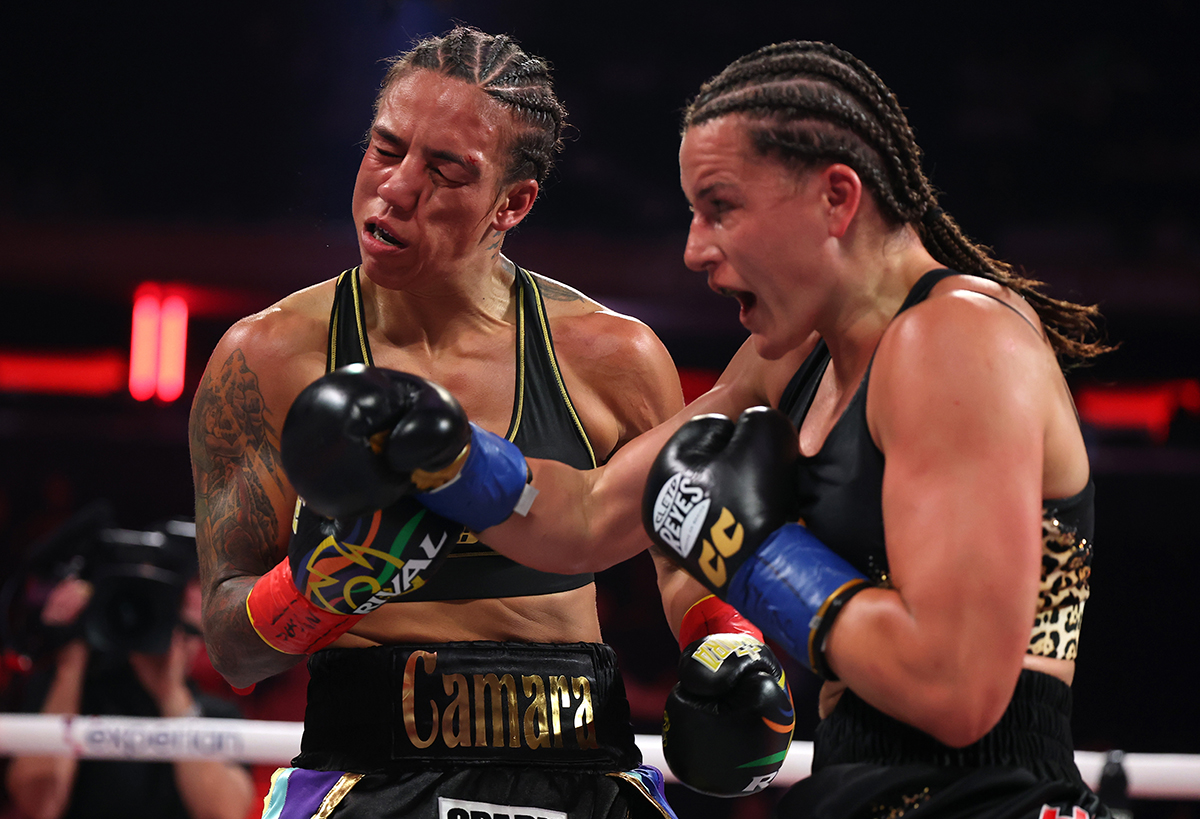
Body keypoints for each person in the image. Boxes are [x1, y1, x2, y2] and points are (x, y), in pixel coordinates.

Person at [407, 40, 1111, 818]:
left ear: (836, 199)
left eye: (721, 207)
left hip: (992, 799)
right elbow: (586, 515)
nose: (695, 249)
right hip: (862, 786)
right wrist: (444, 455)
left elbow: (955, 690)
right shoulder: (793, 359)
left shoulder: (956, 339)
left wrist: (756, 554)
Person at [189, 25, 793, 819]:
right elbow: (233, 649)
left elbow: (687, 551)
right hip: (371, 774)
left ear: (512, 202)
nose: (396, 188)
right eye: (385, 148)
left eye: (445, 171)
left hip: (583, 767)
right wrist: (325, 587)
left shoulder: (611, 355)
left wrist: (726, 643)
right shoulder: (265, 358)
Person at [4, 575, 255, 819]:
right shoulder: (61, 695)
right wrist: (70, 663)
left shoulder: (219, 715)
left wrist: (171, 696)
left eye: (180, 626)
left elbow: (224, 813)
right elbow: (40, 806)